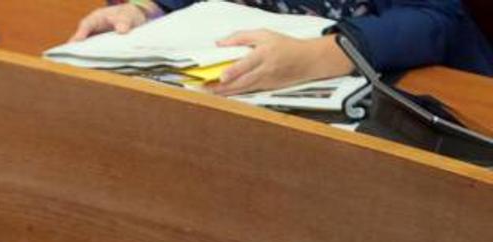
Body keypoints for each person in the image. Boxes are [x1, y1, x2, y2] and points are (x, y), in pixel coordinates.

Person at [69, 0, 493, 95]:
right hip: (239, 91)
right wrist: (146, 10)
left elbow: (437, 20)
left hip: (404, 96)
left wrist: (329, 53)